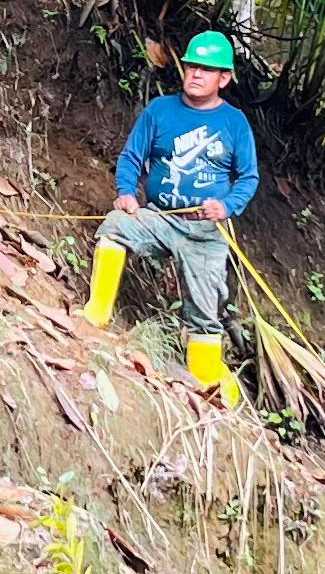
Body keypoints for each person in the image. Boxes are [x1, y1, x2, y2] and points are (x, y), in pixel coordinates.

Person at [83, 31, 262, 401]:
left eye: (207, 69)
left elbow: (248, 177)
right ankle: (96, 315)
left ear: (224, 79)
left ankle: (220, 393)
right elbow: (132, 157)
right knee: (116, 226)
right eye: (192, 65)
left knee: (204, 319)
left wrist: (226, 206)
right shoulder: (160, 111)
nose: (196, 74)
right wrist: (126, 192)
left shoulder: (234, 123)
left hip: (207, 232)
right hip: (161, 218)